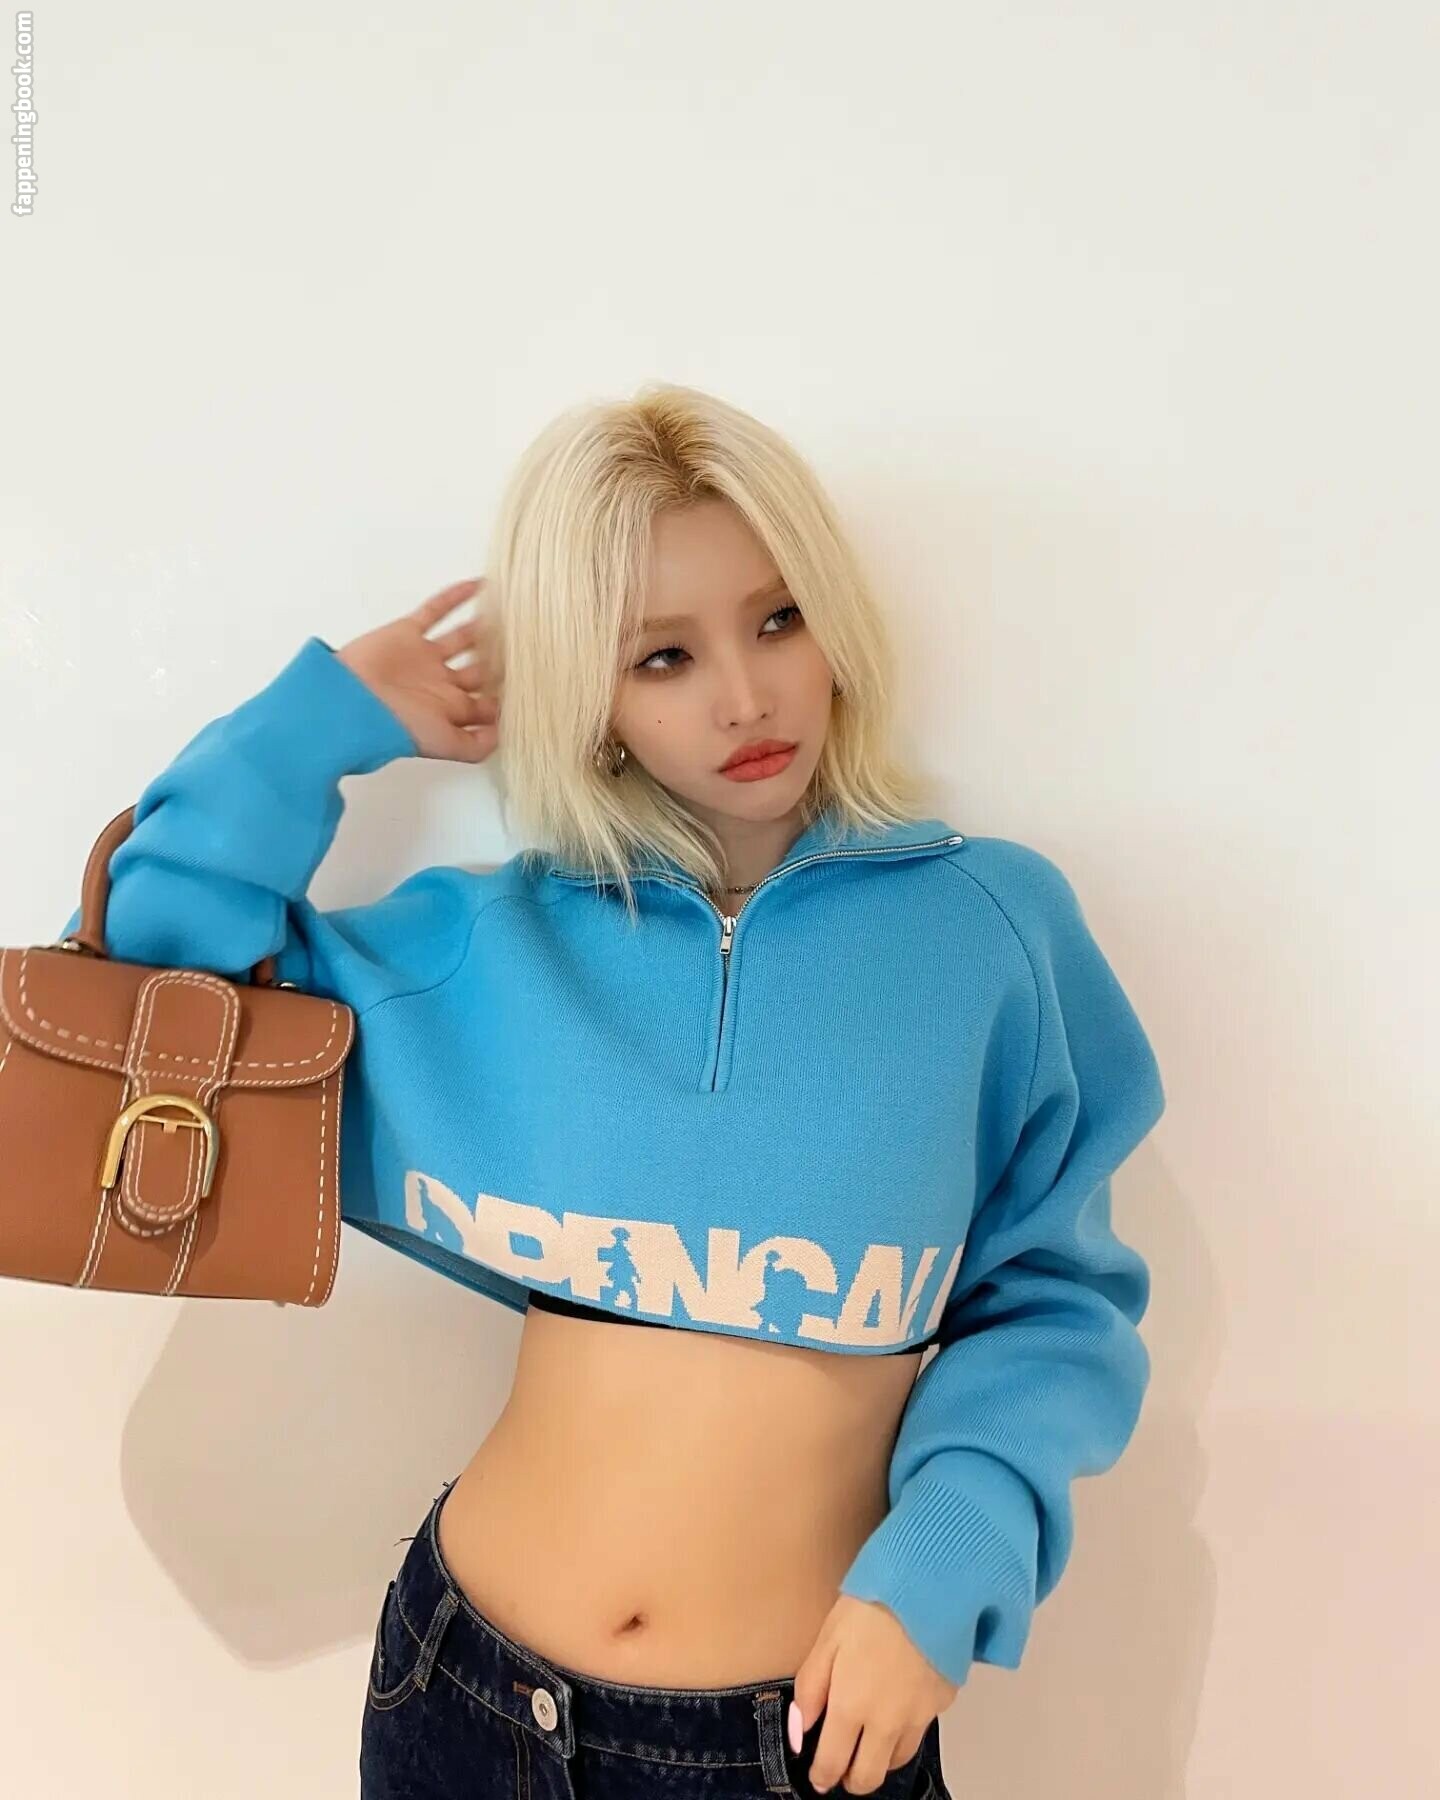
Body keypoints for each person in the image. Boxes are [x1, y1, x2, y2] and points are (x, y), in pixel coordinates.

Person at [59, 383, 1167, 1799]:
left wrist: (943, 1573)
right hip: (462, 1697)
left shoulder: (989, 936)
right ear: (595, 694)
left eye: (780, 619)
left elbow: (1056, 1302)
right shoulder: (489, 945)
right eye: (663, 655)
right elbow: (158, 987)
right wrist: (315, 725)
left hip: (801, 1742)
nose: (744, 696)